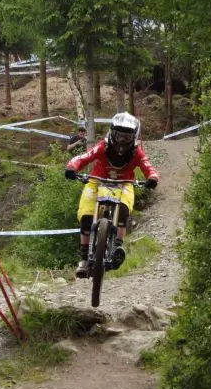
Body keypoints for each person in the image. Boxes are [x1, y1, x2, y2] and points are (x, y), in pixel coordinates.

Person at [64, 112, 159, 278]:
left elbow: (147, 166)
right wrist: (72, 167)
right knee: (86, 215)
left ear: (134, 136)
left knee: (124, 209)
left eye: (126, 136)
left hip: (125, 183)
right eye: (119, 135)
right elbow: (84, 157)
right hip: (97, 180)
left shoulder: (137, 151)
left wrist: (152, 178)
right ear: (112, 132)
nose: (122, 140)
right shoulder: (103, 146)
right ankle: (84, 259)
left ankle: (116, 248)